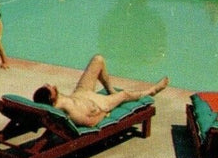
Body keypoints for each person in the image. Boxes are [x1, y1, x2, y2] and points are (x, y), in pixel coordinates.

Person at [32, 54, 169, 128]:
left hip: (81, 93)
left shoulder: (58, 102)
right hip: (100, 104)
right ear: (51, 98)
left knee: (98, 60)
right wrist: (104, 113)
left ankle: (110, 89)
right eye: (49, 87)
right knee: (124, 94)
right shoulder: (69, 111)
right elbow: (90, 122)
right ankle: (151, 91)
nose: (50, 85)